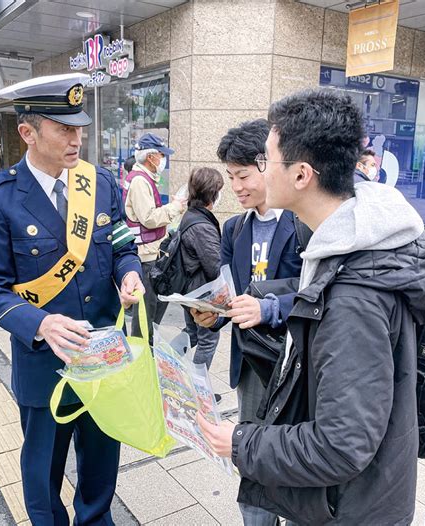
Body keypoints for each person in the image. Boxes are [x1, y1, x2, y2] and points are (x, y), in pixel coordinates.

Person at [198, 90, 425, 525]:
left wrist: (239, 442)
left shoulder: (354, 295)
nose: (256, 174)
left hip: (351, 508)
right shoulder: (345, 246)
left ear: (301, 175)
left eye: (267, 161)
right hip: (353, 495)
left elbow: (340, 445)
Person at [0, 73, 144, 525]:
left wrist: (131, 274)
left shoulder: (101, 183)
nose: (78, 139)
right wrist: (39, 324)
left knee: (101, 461)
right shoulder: (0, 200)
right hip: (44, 362)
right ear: (27, 133)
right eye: (64, 129)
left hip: (102, 354)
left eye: (80, 128)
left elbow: (121, 246)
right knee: (42, 469)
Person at [192, 119, 302, 526]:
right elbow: (228, 292)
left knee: (291, 456)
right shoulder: (235, 229)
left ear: (267, 164)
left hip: (294, 365)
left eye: (242, 176)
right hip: (251, 367)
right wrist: (211, 314)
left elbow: (318, 292)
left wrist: (268, 307)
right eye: (230, 177)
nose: (235, 187)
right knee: (251, 452)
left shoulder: (300, 223)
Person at [123, 133, 186, 344]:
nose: (163, 160)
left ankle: (146, 352)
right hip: (146, 255)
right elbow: (149, 218)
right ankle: (142, 357)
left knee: (149, 309)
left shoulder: (141, 178)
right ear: (151, 157)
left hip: (149, 252)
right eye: (161, 155)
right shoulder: (140, 181)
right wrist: (175, 207)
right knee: (146, 313)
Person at [179, 167, 224, 379]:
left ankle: (166, 368)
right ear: (213, 192)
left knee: (192, 335)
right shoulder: (202, 225)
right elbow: (215, 266)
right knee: (208, 340)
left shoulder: (191, 214)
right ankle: (197, 391)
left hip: (188, 289)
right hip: (200, 293)